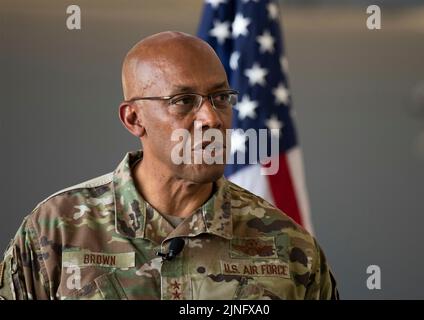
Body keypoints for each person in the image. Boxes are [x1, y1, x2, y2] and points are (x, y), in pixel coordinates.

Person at [0, 31, 338, 300]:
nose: (210, 118)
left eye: (220, 98)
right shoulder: (56, 230)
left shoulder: (290, 248)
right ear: (134, 119)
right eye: (183, 101)